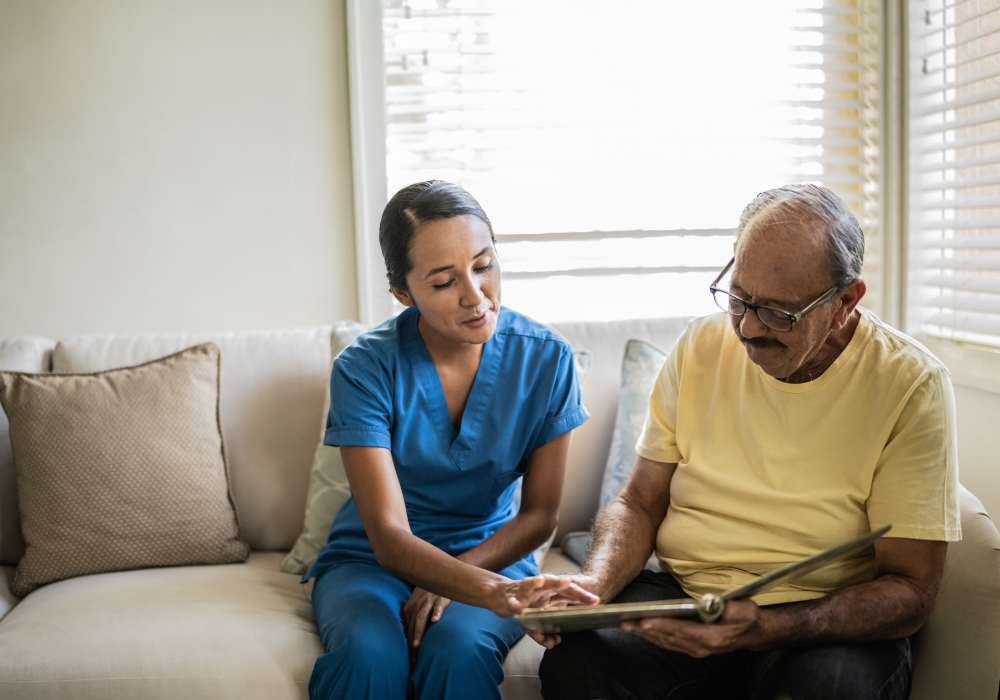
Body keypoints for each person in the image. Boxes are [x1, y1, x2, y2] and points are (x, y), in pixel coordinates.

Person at [537, 184, 961, 700]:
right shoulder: (701, 345)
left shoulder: (910, 385)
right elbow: (640, 501)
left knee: (830, 691)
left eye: (780, 314)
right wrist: (595, 586)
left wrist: (769, 626)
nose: (747, 327)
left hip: (819, 619)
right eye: (739, 297)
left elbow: (912, 589)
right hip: (686, 596)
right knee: (578, 663)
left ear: (846, 301)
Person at [303, 180, 596, 700]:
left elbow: (540, 517)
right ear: (402, 292)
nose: (475, 296)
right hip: (370, 561)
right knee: (369, 658)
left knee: (458, 654)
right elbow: (390, 537)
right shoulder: (363, 369)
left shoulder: (548, 359)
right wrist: (493, 594)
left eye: (483, 266)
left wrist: (463, 580)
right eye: (443, 282)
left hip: (494, 554)